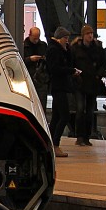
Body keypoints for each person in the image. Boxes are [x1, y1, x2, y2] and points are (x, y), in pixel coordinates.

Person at [69, 25, 106, 145]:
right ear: (83, 35)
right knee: (80, 109)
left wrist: (98, 75)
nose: (90, 36)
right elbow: (71, 63)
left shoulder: (98, 49)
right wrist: (75, 74)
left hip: (93, 83)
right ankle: (79, 136)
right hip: (80, 82)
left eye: (91, 33)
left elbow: (104, 63)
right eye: (88, 34)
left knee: (90, 110)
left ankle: (87, 136)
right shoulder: (75, 48)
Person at [46, 27, 78, 157]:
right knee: (64, 116)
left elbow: (69, 62)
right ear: (59, 38)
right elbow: (55, 68)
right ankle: (55, 144)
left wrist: (67, 50)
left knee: (56, 117)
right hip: (58, 86)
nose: (67, 40)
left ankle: (50, 144)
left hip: (60, 86)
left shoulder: (61, 49)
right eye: (65, 38)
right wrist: (71, 71)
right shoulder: (53, 50)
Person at [21, 26, 49, 110]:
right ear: (30, 35)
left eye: (38, 38)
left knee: (42, 103)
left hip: (41, 78)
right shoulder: (23, 46)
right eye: (34, 38)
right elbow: (20, 61)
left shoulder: (43, 45)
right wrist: (30, 59)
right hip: (29, 76)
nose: (36, 40)